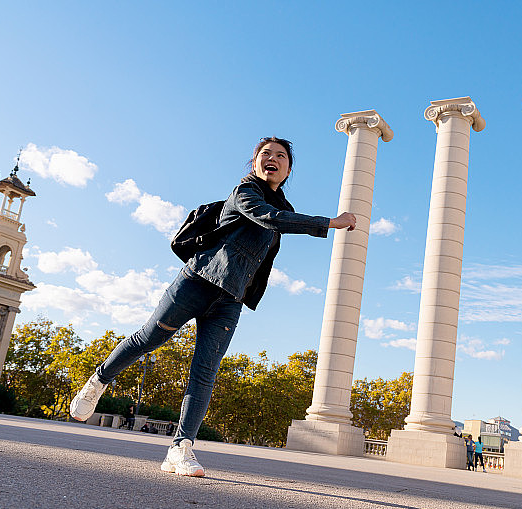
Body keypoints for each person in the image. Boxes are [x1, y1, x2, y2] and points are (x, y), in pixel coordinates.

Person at [69, 137, 357, 477]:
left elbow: (276, 230)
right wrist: (330, 222)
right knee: (148, 338)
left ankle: (180, 448)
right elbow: (270, 218)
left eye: (281, 156)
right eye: (266, 154)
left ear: (288, 169)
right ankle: (99, 380)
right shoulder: (244, 193)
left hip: (229, 300)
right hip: (196, 282)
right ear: (254, 163)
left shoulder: (286, 209)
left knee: (205, 371)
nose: (273, 159)